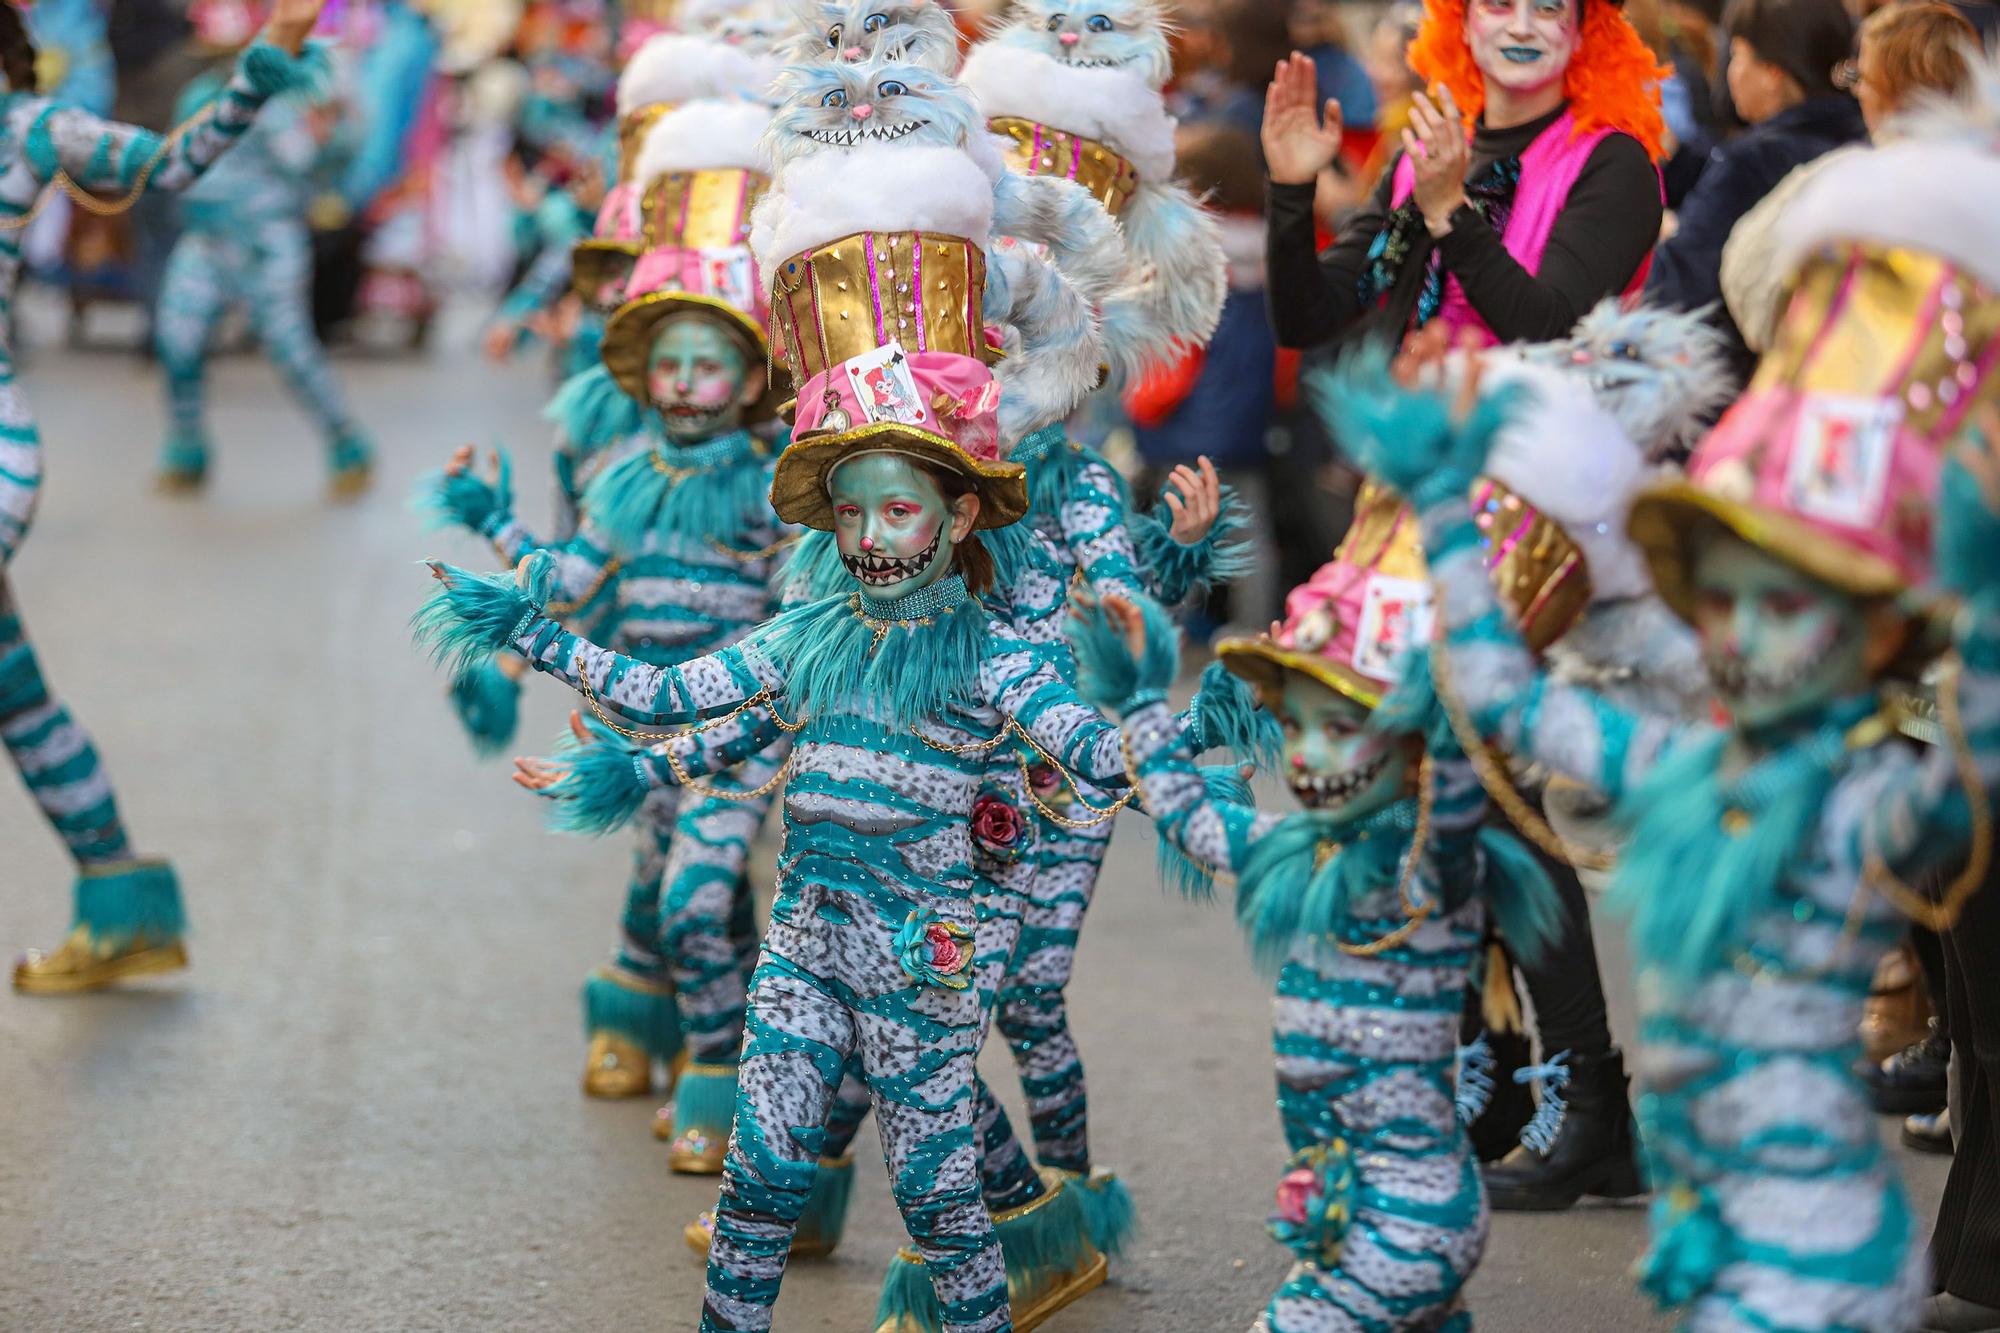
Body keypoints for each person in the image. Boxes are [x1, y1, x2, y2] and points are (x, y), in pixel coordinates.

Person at [6, 0, 329, 995]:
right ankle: (121, 898)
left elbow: (172, 164)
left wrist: (264, 61)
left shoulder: (29, 126)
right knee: (16, 694)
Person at [1262, 0, 1666, 352]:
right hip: (1406, 435)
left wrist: (1450, 214)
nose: (1521, 27)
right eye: (1498, 3)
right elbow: (1307, 321)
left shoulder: (1614, 165)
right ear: (1464, 24)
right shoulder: (1424, 155)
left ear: (1581, 32)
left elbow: (1551, 332)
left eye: (1547, 7)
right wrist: (1291, 190)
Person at [1720, 0, 1977, 357]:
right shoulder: (1981, 182)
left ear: (1894, 91)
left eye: (1864, 78)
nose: (1857, 92)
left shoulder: (1848, 182)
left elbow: (1750, 277)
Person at [1643, 0, 1862, 378]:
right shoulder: (1857, 142)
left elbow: (1677, 288)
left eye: (1739, 55)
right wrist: (1679, 156)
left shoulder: (1756, 161)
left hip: (1731, 382)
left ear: (1772, 73)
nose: (1731, 70)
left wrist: (1659, 237)